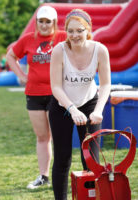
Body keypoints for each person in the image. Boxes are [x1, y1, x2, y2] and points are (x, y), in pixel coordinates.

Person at [49, 9, 111, 200]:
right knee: (62, 157)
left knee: (91, 158)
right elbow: (56, 87)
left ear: (88, 29)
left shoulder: (100, 50)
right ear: (65, 31)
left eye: (79, 30)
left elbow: (106, 83)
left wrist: (99, 110)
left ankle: (91, 196)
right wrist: (72, 109)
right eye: (70, 31)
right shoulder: (59, 50)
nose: (74, 35)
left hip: (90, 102)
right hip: (63, 105)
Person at [6, 6, 67, 189]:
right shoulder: (27, 39)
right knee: (42, 137)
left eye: (48, 21)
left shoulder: (63, 37)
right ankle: (43, 176)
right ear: (36, 22)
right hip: (34, 94)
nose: (44, 25)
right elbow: (10, 56)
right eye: (41, 21)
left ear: (54, 23)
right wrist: (21, 76)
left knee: (58, 137)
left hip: (57, 94)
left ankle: (61, 176)